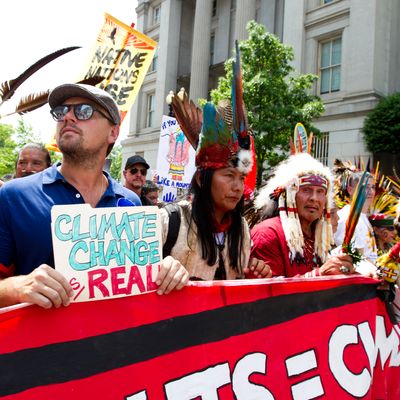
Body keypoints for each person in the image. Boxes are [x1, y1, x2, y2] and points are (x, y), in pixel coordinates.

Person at [0, 83, 188, 309]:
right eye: (61, 111)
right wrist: (17, 287)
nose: (68, 117)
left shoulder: (131, 203)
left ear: (113, 132)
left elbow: (137, 286)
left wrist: (167, 272)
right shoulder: (14, 196)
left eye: (84, 111)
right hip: (39, 344)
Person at [165, 47, 271, 281]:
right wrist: (161, 269)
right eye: (228, 175)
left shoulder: (242, 230)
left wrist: (255, 274)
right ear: (202, 178)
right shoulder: (170, 222)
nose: (238, 187)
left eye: (241, 178)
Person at [250, 151, 354, 278]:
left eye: (320, 191)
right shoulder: (268, 233)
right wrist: (318, 274)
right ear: (288, 195)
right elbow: (267, 293)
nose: (314, 198)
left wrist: (363, 277)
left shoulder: (320, 238)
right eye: (306, 190)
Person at [334, 171, 378, 264]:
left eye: (373, 187)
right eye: (365, 187)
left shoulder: (362, 216)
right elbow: (351, 257)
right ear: (350, 190)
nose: (370, 191)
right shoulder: (346, 217)